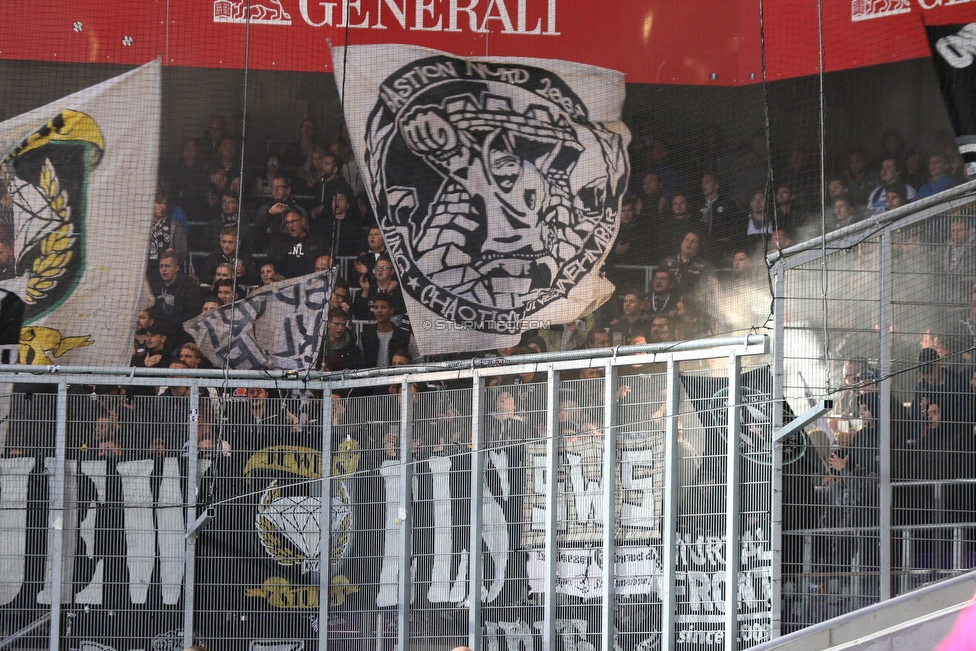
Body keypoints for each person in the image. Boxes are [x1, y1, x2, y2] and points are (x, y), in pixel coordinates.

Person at [149, 251, 205, 344]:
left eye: (167, 266)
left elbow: (193, 315)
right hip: (158, 336)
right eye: (161, 266)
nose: (163, 270)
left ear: (176, 268)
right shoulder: (157, 287)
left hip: (179, 337)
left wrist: (170, 325)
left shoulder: (188, 287)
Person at [358, 294, 417, 369]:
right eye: (376, 307)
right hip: (371, 379)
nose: (379, 311)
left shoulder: (405, 336)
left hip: (397, 380)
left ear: (391, 310)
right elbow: (360, 363)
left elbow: (417, 361)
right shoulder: (365, 336)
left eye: (383, 307)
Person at [252, 175, 308, 251]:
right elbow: (257, 234)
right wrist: (269, 214)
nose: (276, 190)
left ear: (288, 190)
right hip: (267, 252)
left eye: (280, 187)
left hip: (290, 251)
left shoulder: (299, 210)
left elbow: (305, 236)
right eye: (273, 187)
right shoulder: (263, 210)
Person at [268, 209, 328, 279]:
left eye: (293, 221)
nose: (290, 225)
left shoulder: (317, 241)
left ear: (302, 221)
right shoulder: (280, 242)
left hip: (310, 284)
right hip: (285, 285)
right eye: (287, 222)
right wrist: (269, 214)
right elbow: (258, 235)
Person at [148, 190, 189, 293]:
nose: (163, 207)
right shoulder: (142, 227)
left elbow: (183, 250)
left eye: (165, 203)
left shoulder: (174, 226)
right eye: (158, 203)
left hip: (167, 273)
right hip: (146, 271)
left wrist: (173, 255)